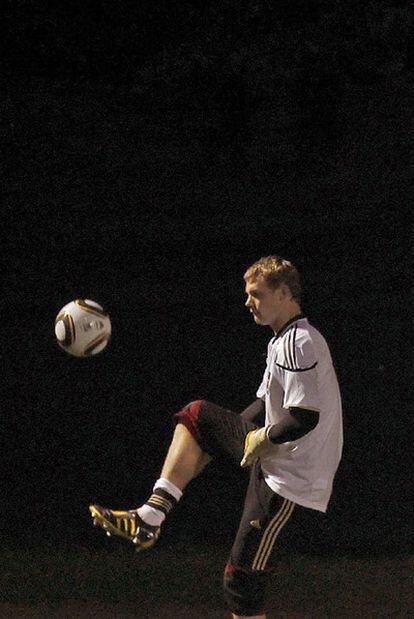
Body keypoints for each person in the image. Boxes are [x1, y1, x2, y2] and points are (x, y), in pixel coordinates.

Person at [89, 256, 343, 619]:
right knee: (197, 420)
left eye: (256, 293)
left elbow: (304, 416)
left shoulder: (299, 342)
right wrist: (227, 434)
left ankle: (151, 518)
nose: (248, 302)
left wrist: (259, 438)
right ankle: (150, 517)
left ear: (285, 292)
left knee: (242, 584)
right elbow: (263, 403)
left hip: (292, 482)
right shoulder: (283, 340)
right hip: (277, 461)